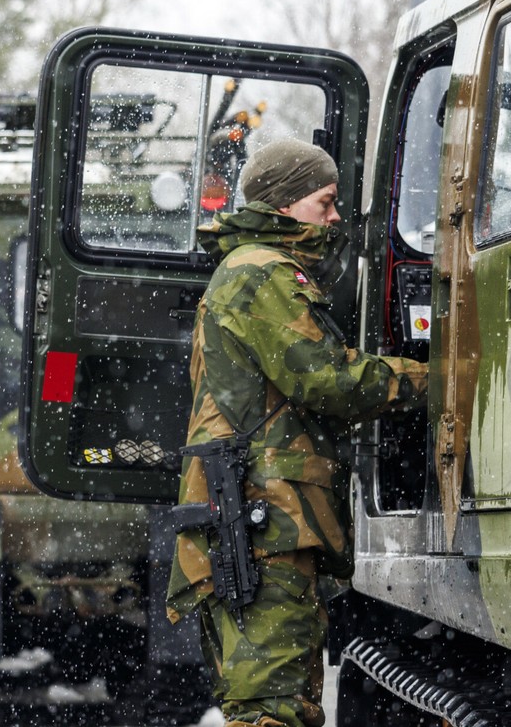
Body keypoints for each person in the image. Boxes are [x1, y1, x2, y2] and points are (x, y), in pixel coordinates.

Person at [165, 137, 429, 727]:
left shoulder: (248, 269)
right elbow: (327, 381)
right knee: (271, 711)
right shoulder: (261, 272)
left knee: (282, 705)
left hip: (265, 521)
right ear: (286, 204)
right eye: (325, 202)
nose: (335, 218)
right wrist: (436, 378)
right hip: (268, 523)